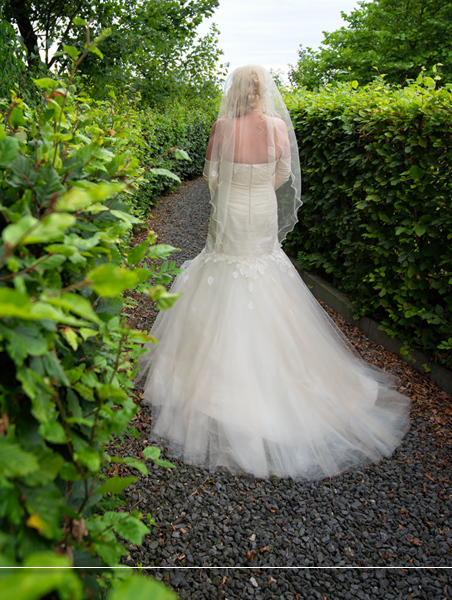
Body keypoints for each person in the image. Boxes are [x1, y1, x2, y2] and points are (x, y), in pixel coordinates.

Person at [133, 65, 410, 480]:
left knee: (221, 266)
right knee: (265, 269)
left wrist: (228, 194)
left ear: (236, 91)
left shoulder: (223, 126)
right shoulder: (279, 127)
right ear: (264, 91)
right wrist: (258, 188)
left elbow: (211, 176)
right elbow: (283, 174)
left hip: (230, 208)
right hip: (262, 208)